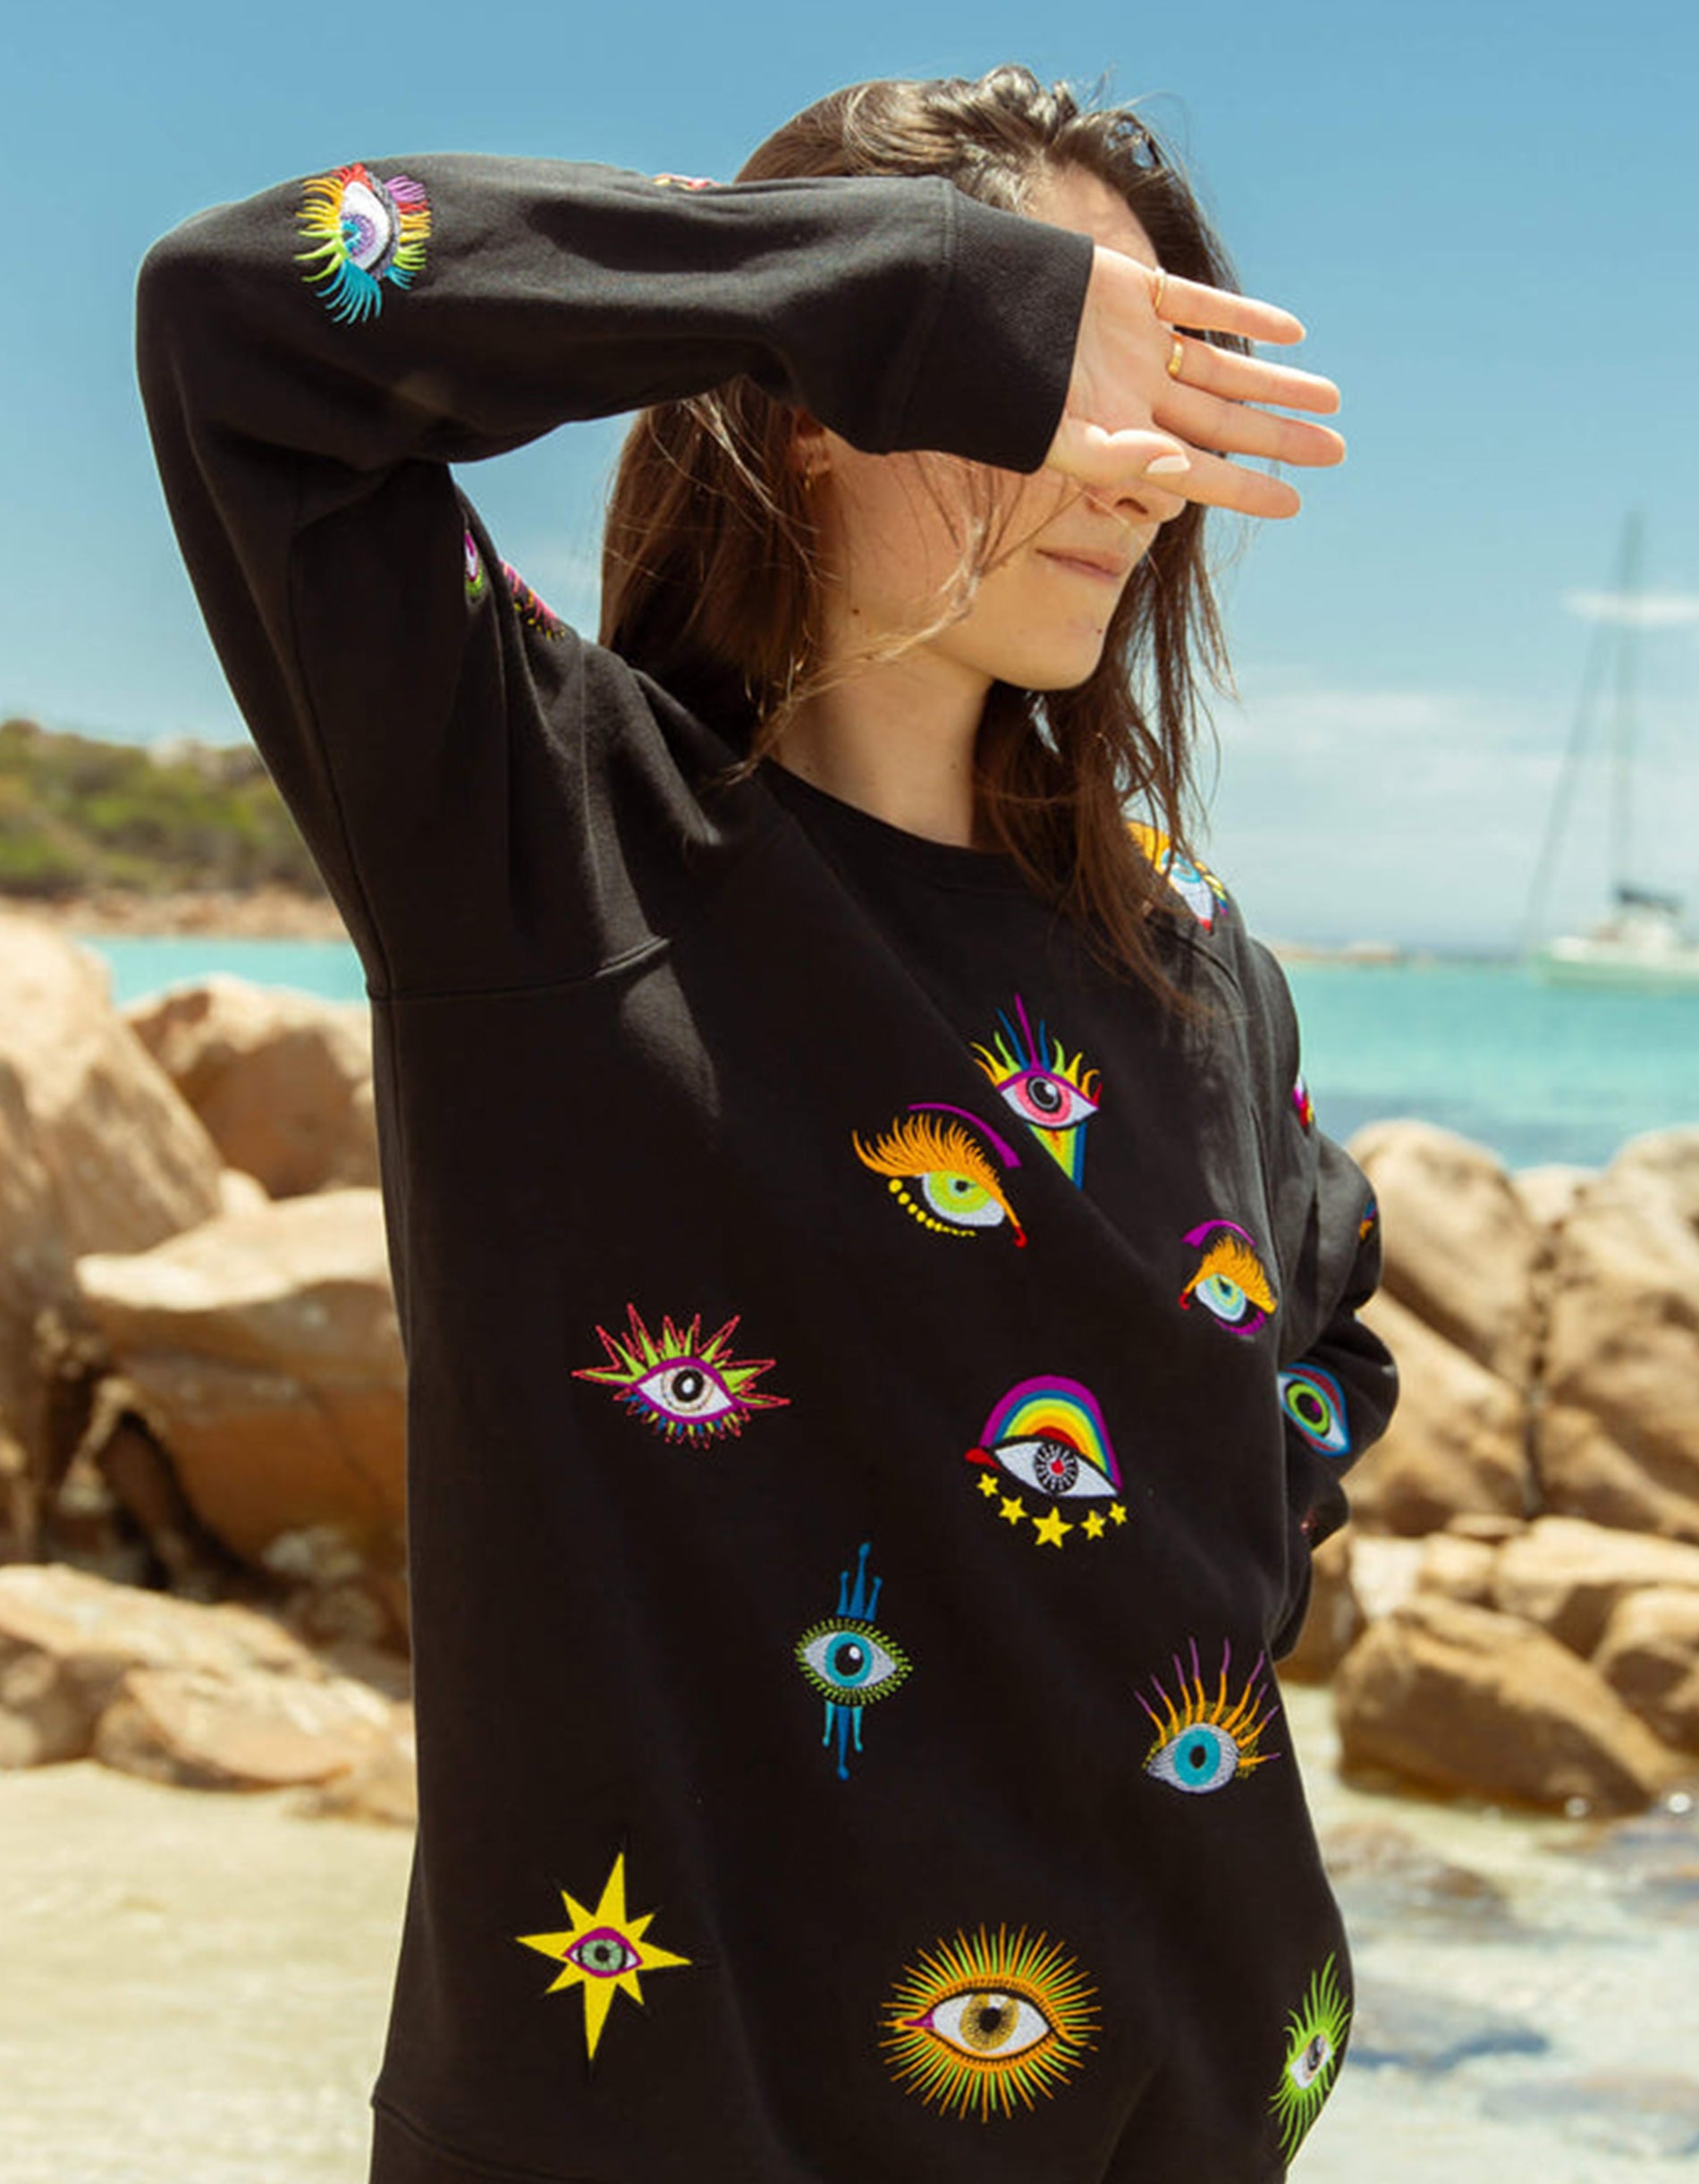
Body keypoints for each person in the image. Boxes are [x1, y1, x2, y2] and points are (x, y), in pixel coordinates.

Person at [136, 61, 1398, 2184]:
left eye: (1172, 398)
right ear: (825, 385)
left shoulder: (1184, 950)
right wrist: (886, 279)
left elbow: (1323, 1322)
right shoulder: (544, 833)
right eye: (1071, 371)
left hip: (1177, 2120)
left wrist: (1168, 1571)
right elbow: (244, 316)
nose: (1140, 466)